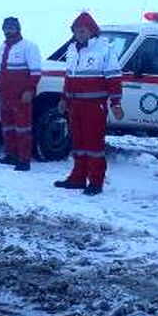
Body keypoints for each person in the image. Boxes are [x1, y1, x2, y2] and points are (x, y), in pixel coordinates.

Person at [54, 11, 123, 195]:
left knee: (94, 145)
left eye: (83, 30)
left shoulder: (104, 50)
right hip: (75, 105)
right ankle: (78, 178)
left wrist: (116, 103)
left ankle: (96, 181)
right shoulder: (71, 50)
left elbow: (114, 78)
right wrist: (64, 98)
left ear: (92, 31)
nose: (80, 34)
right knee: (78, 143)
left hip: (95, 106)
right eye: (76, 31)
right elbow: (69, 77)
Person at [0, 16, 42, 171]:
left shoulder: (29, 47)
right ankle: (11, 155)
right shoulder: (3, 47)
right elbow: (0, 71)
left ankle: (24, 159)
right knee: (7, 126)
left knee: (23, 128)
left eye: (12, 28)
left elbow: (36, 72)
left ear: (18, 29)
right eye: (6, 28)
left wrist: (29, 90)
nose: (9, 31)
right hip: (5, 95)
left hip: (21, 95)